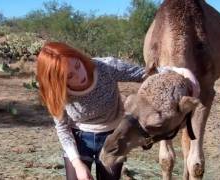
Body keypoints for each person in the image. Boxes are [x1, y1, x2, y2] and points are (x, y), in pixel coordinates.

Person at [37, 42, 145, 180]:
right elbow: (62, 128)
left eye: (77, 65)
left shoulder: (107, 67)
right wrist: (77, 164)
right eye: (69, 76)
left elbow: (145, 73)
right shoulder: (55, 92)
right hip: (78, 140)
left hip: (112, 137)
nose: (79, 75)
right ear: (57, 81)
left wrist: (179, 72)